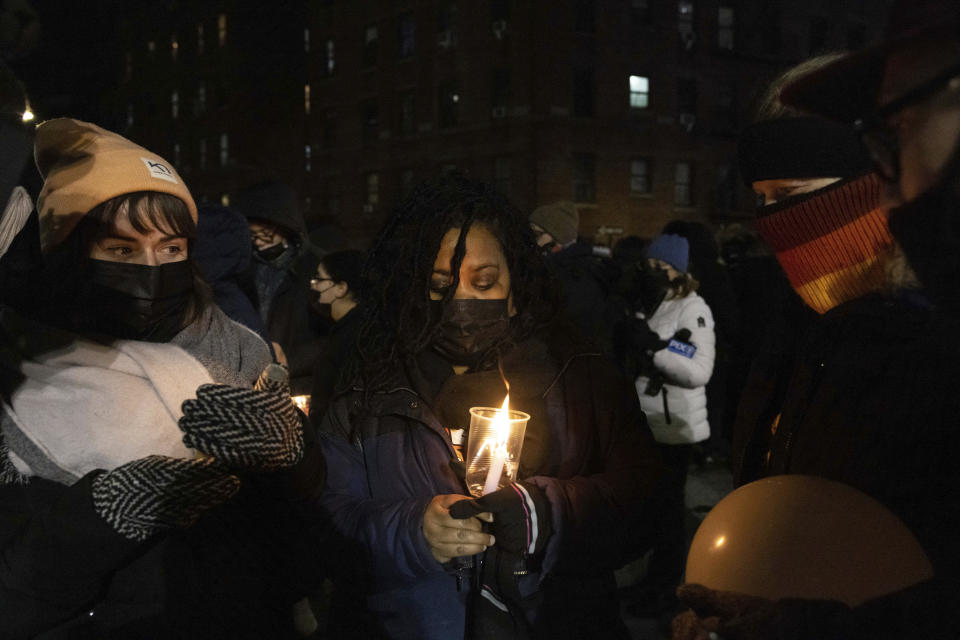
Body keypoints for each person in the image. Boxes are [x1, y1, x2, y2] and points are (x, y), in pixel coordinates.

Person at [672, 30, 960, 640]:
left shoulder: (936, 344)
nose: (775, 223)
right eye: (763, 200)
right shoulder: (795, 327)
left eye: (792, 196)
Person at [0, 118, 319, 638]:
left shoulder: (239, 348)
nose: (152, 267)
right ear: (69, 255)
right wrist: (103, 516)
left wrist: (296, 448)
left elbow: (304, 532)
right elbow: (13, 602)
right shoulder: (17, 381)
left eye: (171, 248)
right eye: (122, 250)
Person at [315, 172, 662, 639]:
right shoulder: (367, 386)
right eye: (439, 286)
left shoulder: (580, 379)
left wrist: (546, 515)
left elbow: (644, 502)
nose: (460, 302)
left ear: (515, 287)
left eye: (484, 284)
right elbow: (325, 518)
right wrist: (411, 531)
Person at [622, 233, 715, 626]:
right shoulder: (660, 302)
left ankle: (665, 591)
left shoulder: (693, 308)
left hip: (675, 428)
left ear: (677, 269)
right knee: (655, 511)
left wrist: (657, 349)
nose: (653, 272)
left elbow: (697, 365)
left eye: (660, 267)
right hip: (652, 424)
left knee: (669, 517)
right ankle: (652, 582)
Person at [233, 180, 320, 394]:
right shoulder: (241, 269)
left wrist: (290, 359)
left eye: (263, 233)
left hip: (297, 386)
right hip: (250, 384)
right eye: (251, 235)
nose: (257, 241)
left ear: (281, 225)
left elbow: (338, 335)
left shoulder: (312, 269)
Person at [528, 200, 619, 353]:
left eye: (536, 234)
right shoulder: (547, 268)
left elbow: (572, 331)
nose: (531, 240)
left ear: (558, 239)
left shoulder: (578, 274)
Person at [308, 248, 364, 423]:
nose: (313, 285)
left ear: (340, 288)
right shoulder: (345, 328)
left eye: (319, 279)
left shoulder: (353, 335)